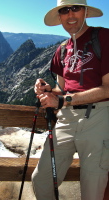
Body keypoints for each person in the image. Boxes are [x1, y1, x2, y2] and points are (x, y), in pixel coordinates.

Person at [32, 0, 109, 200]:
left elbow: (108, 88)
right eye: (65, 10)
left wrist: (63, 100)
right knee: (41, 179)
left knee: (93, 190)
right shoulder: (62, 49)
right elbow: (63, 89)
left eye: (76, 8)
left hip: (99, 118)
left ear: (85, 12)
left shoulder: (104, 37)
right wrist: (49, 90)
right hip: (66, 117)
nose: (71, 14)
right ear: (60, 17)